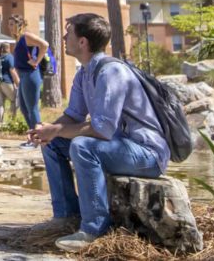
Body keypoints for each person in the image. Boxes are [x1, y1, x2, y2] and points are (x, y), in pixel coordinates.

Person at [27, 13, 170, 253]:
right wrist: (48, 131)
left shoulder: (111, 72)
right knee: (53, 144)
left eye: (69, 33)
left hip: (147, 153)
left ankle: (94, 229)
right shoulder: (84, 73)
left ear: (82, 42)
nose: (63, 37)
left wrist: (58, 129)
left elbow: (102, 129)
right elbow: (74, 114)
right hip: (121, 146)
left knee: (83, 145)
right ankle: (66, 217)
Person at [14, 23, 49, 148]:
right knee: (24, 108)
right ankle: (32, 136)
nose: (10, 26)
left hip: (30, 74)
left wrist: (37, 61)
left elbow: (44, 44)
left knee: (32, 108)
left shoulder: (26, 36)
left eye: (13, 24)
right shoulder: (19, 39)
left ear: (20, 25)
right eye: (9, 24)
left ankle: (37, 139)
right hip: (24, 75)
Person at [0, 42, 20, 123]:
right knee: (13, 100)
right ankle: (12, 121)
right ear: (8, 48)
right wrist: (18, 82)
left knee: (0, 103)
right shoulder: (9, 57)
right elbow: (12, 70)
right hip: (7, 82)